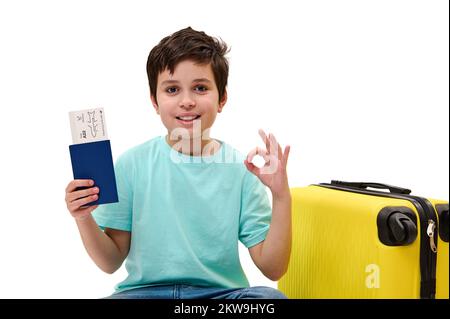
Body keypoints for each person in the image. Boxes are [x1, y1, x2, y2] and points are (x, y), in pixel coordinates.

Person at [64, 27, 291, 299]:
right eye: (172, 89)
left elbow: (273, 268)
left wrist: (280, 196)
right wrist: (83, 217)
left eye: (200, 88)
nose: (187, 101)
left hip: (217, 296)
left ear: (222, 99)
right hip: (144, 294)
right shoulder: (131, 165)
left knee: (270, 300)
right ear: (154, 101)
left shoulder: (240, 171)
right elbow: (110, 261)